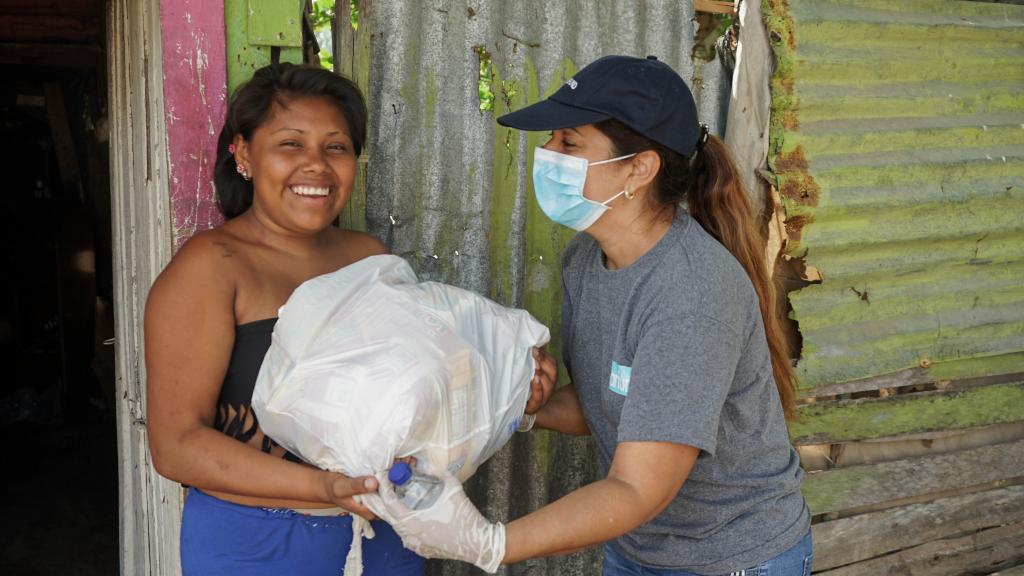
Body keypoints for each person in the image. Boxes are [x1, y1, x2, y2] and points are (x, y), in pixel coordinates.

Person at [373, 55, 812, 576]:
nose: (546, 153)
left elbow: (636, 487)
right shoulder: (585, 259)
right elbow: (608, 405)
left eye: (569, 142)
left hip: (731, 556)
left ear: (639, 169)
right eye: (552, 139)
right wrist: (522, 404)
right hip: (639, 547)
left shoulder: (690, 295)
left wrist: (489, 543)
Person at [143, 63, 426, 575]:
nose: (316, 164)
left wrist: (509, 383)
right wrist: (325, 487)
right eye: (291, 144)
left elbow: (413, 392)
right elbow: (176, 445)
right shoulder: (212, 267)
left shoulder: (370, 259)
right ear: (244, 154)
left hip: (384, 534)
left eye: (336, 147)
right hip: (257, 544)